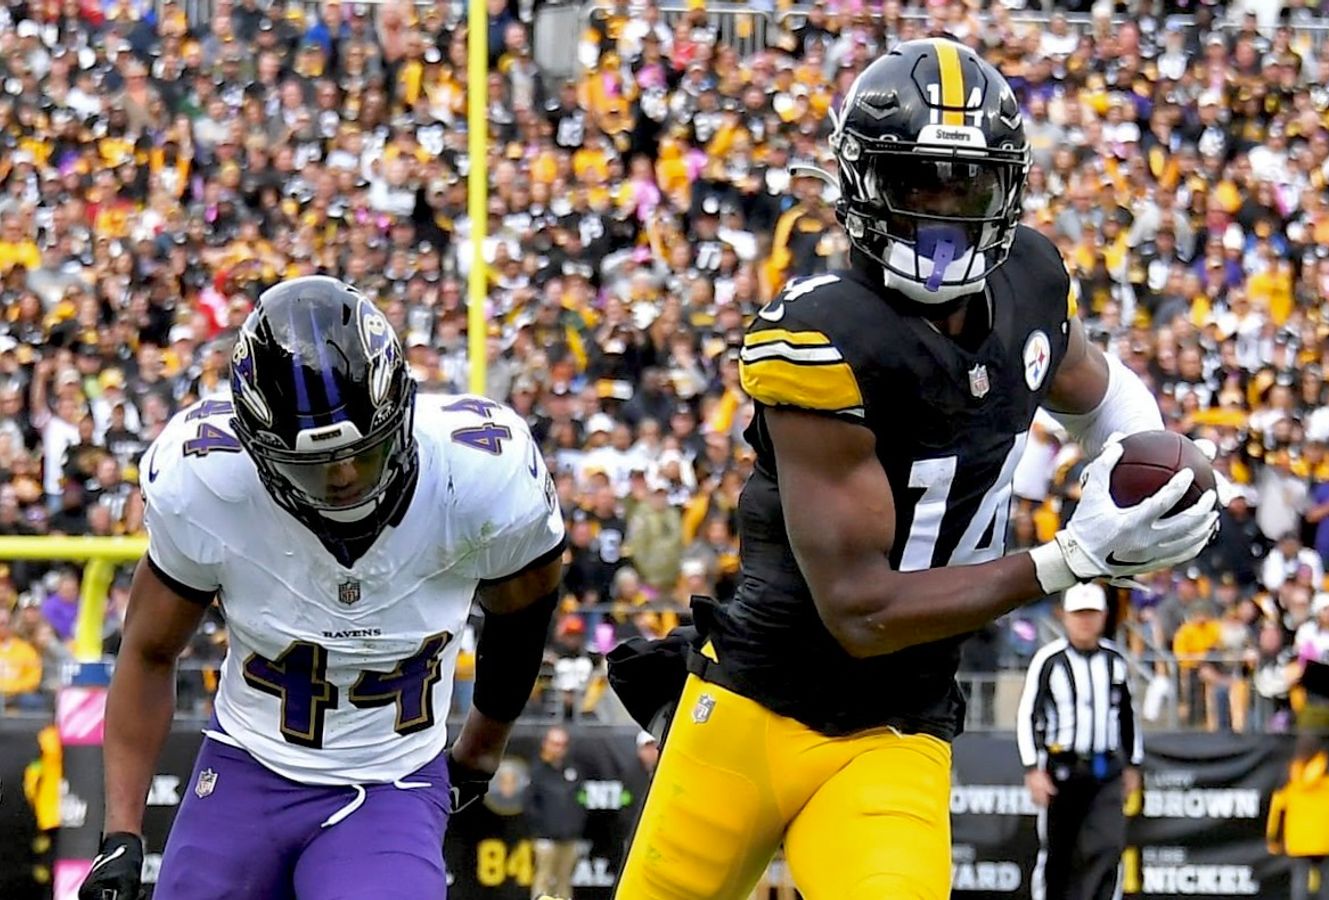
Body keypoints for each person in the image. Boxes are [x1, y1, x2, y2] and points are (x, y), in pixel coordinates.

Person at [610, 39, 1218, 899]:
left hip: (897, 725)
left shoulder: (1033, 283)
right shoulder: (822, 339)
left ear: (1005, 187)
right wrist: (1072, 558)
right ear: (865, 187)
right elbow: (862, 610)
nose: (942, 210)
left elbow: (1096, 390)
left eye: (964, 183)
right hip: (752, 708)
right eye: (917, 181)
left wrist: (1144, 478)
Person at [78, 277, 569, 900]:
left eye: (363, 453)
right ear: (257, 449)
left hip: (388, 781)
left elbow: (523, 618)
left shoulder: (478, 474)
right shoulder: (205, 482)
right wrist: (120, 834)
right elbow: (148, 651)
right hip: (246, 764)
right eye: (311, 463)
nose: (342, 477)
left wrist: (479, 752)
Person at [1016, 583, 1142, 900]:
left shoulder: (1115, 660)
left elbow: (1127, 714)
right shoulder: (1049, 659)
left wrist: (1132, 763)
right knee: (1059, 853)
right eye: (1079, 614)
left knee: (1108, 846)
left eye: (1091, 614)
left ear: (1103, 616)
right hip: (1062, 768)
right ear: (1065, 617)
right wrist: (1032, 768)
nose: (1085, 621)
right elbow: (1027, 714)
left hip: (1106, 768)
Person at [1267, 733, 1329, 900]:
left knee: (1300, 881)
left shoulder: (1288, 775)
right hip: (1327, 839)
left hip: (1299, 840)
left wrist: (1274, 839)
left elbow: (1278, 810)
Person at [527, 726, 586, 899]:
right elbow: (529, 804)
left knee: (564, 881)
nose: (558, 748)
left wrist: (576, 828)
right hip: (546, 839)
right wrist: (540, 831)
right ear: (545, 744)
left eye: (562, 744)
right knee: (543, 880)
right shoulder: (537, 771)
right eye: (554, 744)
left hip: (569, 838)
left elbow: (581, 801)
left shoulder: (573, 771)